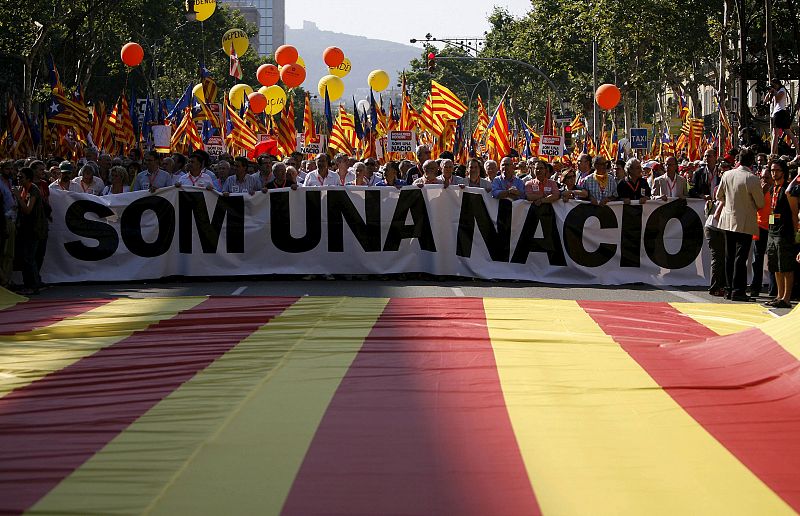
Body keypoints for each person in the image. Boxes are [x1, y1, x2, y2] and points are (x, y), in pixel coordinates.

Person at [716, 148, 766, 301]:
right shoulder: (752, 178)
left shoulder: (727, 174)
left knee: (729, 256)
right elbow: (760, 203)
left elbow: (718, 195)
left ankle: (728, 289)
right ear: (751, 162)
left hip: (728, 220)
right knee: (740, 257)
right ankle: (738, 290)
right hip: (744, 222)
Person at [764, 158, 799, 308]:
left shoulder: (788, 190)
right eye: (772, 170)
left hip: (785, 231)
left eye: (777, 170)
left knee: (786, 266)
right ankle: (779, 295)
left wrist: (796, 231)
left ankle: (786, 298)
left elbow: (794, 212)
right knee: (775, 266)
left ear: (783, 172)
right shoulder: (773, 189)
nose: (774, 173)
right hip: (772, 230)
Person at [14, 167, 48, 294]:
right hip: (26, 229)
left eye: (21, 177)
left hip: (34, 229)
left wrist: (18, 197)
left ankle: (32, 286)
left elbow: (28, 210)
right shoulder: (23, 189)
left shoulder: (33, 190)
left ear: (28, 178)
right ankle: (32, 283)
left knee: (29, 258)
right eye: (17, 177)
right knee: (27, 258)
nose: (18, 179)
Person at [765, 78, 799, 156]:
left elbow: (778, 100)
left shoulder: (782, 90)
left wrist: (774, 92)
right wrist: (769, 92)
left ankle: (772, 153)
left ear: (777, 84)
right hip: (777, 113)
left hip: (780, 113)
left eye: (773, 85)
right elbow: (766, 100)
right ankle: (774, 153)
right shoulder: (775, 91)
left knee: (776, 134)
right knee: (785, 133)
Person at [0, 160, 18, 288]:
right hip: (3, 220)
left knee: (10, 252)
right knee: (3, 251)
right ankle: (3, 280)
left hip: (12, 219)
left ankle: (6, 279)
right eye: (7, 169)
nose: (10, 171)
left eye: (12, 169)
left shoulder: (11, 183)